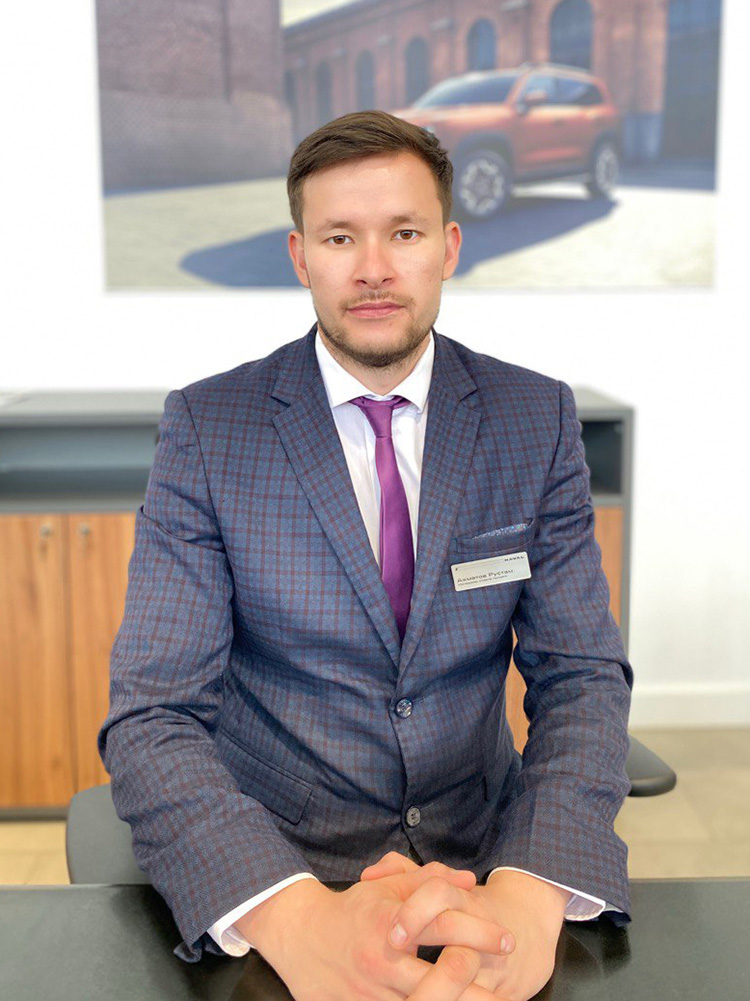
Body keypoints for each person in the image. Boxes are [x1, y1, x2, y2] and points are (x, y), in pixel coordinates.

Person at [98, 110, 633, 1001]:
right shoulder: (209, 429)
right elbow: (153, 715)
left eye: (405, 233)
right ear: (301, 255)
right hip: (284, 871)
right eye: (340, 236)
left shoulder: (533, 419)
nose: (374, 268)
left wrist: (533, 888)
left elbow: (581, 675)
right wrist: (293, 916)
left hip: (483, 866)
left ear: (449, 247)